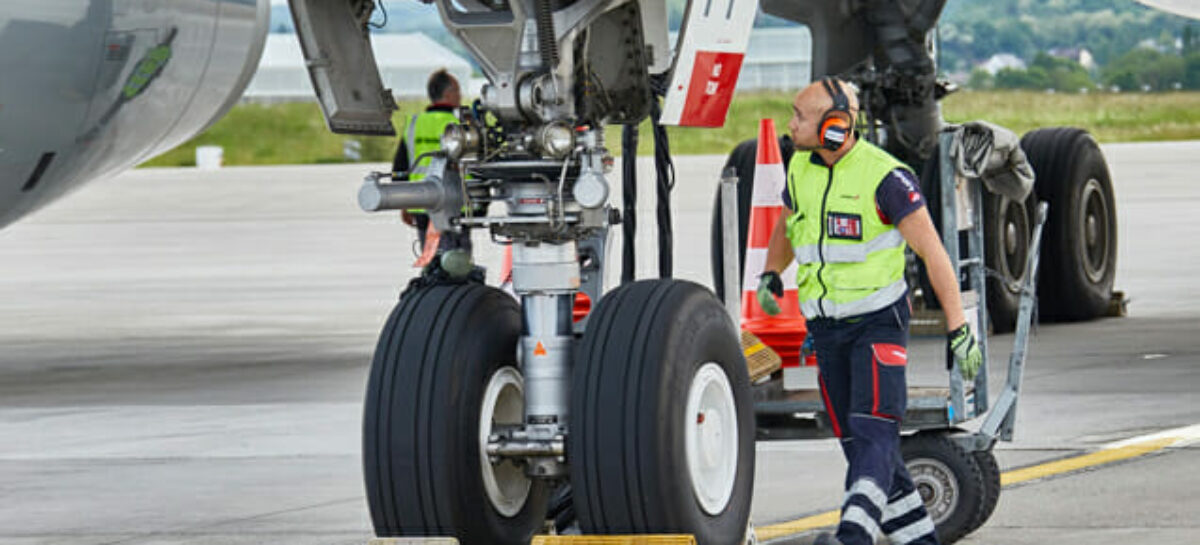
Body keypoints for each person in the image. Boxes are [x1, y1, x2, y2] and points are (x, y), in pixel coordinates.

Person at [756, 77, 983, 545]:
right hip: (827, 330)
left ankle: (853, 536)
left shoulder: (886, 178)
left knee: (874, 434)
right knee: (860, 448)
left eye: (800, 116)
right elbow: (787, 224)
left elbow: (934, 253)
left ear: (835, 127)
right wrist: (772, 273)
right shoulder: (800, 167)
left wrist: (958, 326)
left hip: (878, 325)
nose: (790, 123)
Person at [392, 68, 467, 252]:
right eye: (457, 91)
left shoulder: (415, 124)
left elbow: (400, 167)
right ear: (448, 94)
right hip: (455, 206)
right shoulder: (460, 126)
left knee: (431, 262)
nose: (460, 96)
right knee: (457, 266)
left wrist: (404, 203)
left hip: (422, 205)